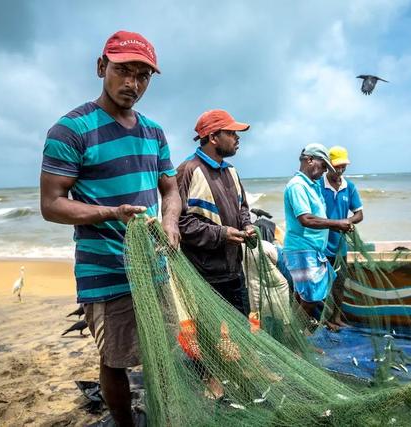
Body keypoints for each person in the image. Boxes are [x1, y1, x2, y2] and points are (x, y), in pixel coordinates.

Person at [40, 30, 181, 427]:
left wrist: (170, 222)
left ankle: (166, 414)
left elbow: (170, 189)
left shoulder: (153, 132)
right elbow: (52, 205)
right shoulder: (70, 130)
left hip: (154, 264)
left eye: (143, 75)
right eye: (123, 71)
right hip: (103, 269)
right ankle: (123, 423)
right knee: (114, 359)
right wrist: (110, 212)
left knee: (163, 351)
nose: (132, 84)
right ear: (102, 67)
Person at [176, 109, 254, 316]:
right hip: (205, 276)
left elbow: (242, 208)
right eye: (231, 133)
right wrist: (222, 234)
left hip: (235, 270)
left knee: (242, 331)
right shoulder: (188, 170)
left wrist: (247, 225)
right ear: (213, 138)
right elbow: (181, 223)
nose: (237, 138)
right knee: (211, 339)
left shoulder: (231, 171)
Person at [282, 143, 353, 327]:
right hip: (302, 249)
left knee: (303, 297)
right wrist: (337, 223)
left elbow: (318, 217)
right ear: (310, 160)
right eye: (323, 166)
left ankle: (299, 339)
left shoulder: (311, 185)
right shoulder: (297, 186)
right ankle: (295, 342)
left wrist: (336, 228)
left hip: (312, 250)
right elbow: (305, 219)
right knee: (311, 299)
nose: (324, 172)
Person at [320, 146, 363, 330]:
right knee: (320, 284)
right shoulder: (319, 186)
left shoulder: (349, 187)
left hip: (340, 246)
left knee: (339, 283)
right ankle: (319, 319)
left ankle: (335, 317)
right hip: (320, 245)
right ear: (328, 165)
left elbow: (359, 214)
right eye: (337, 166)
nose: (340, 170)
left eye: (343, 166)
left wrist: (348, 220)